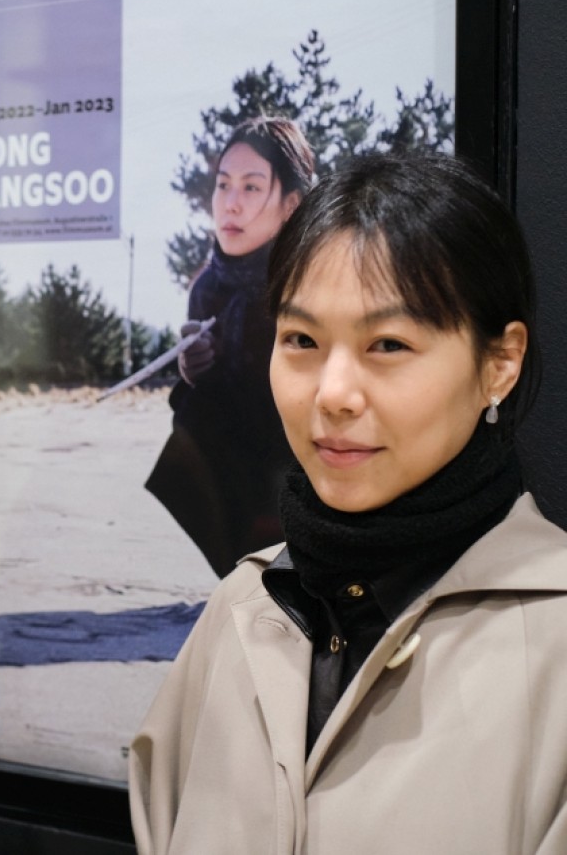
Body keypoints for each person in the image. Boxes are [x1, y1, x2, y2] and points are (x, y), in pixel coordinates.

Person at [129, 151, 567, 854]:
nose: (332, 393)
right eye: (301, 339)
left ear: (499, 364)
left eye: (388, 344)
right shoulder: (242, 608)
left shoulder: (552, 640)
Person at [145, 116, 315, 578]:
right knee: (193, 409)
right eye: (223, 185)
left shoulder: (314, 279)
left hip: (312, 458)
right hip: (249, 459)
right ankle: (244, 568)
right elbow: (221, 402)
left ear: (291, 204)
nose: (231, 205)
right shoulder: (208, 286)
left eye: (252, 187)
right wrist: (195, 370)